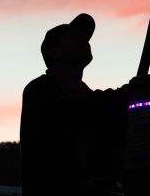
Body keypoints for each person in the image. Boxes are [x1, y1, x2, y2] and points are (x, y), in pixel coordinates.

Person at [20, 13, 127, 195]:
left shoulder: (87, 97)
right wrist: (127, 94)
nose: (85, 40)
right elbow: (71, 117)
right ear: (54, 52)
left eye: (85, 37)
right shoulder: (38, 91)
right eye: (74, 36)